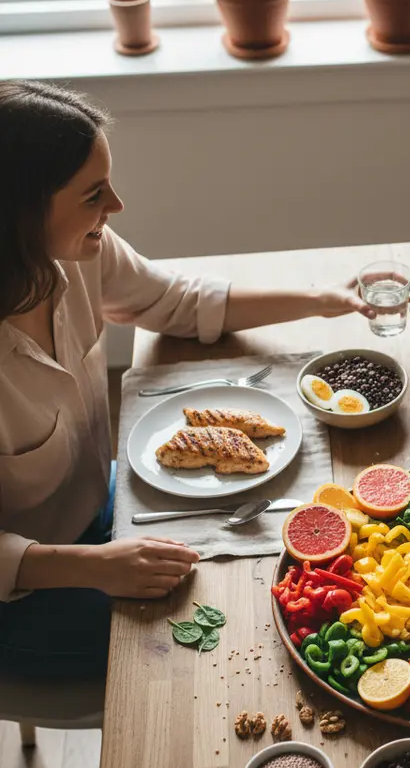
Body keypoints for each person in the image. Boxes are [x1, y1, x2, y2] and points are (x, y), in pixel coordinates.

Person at [0, 80, 375, 681]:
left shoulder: (77, 249)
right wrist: (96, 567)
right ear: (19, 213)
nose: (117, 206)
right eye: (95, 193)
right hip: (27, 592)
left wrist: (320, 299)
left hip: (110, 507)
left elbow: (173, 300)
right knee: (211, 655)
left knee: (278, 574)